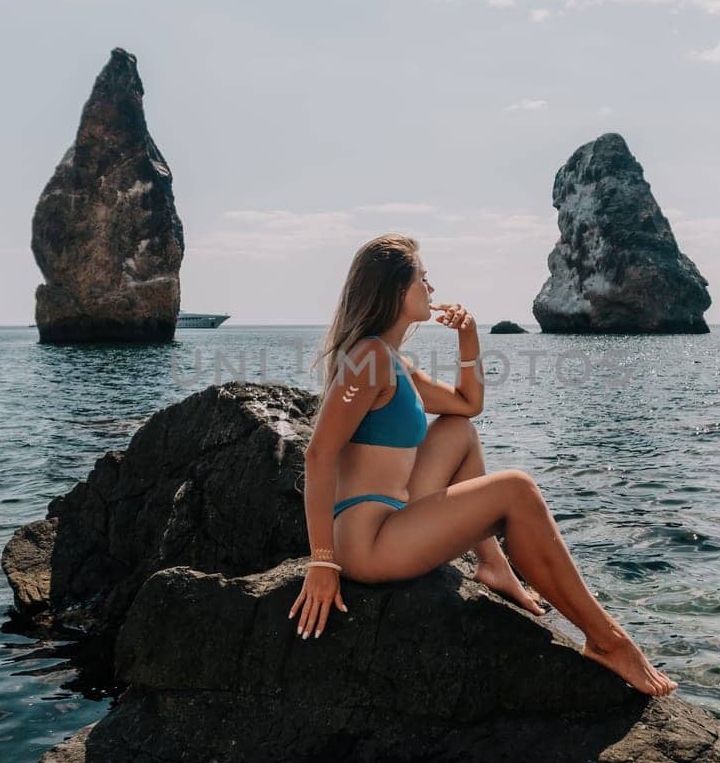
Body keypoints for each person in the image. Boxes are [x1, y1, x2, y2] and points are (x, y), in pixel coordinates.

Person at [289, 233, 678, 697]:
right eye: (422, 279)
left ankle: (493, 565)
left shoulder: (391, 361)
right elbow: (319, 454)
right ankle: (608, 640)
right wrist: (322, 562)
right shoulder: (369, 357)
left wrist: (468, 339)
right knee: (516, 489)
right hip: (367, 543)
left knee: (457, 430)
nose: (431, 289)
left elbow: (467, 404)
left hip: (394, 514)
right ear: (395, 290)